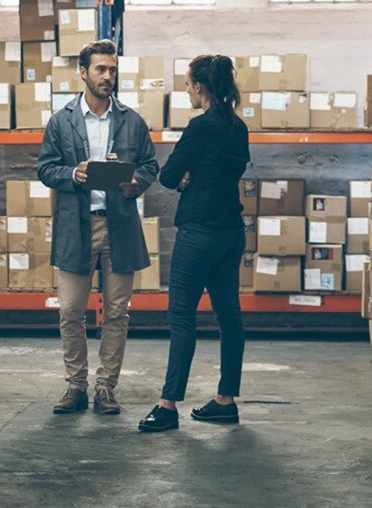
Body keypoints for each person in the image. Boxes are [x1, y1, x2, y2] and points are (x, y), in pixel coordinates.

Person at [37, 40, 159, 415]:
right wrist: (73, 173)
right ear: (83, 72)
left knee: (117, 312)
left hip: (119, 227)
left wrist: (136, 182)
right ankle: (75, 386)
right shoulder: (61, 121)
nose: (108, 76)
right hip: (77, 227)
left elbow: (151, 165)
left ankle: (105, 387)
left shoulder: (131, 120)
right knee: (70, 311)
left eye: (112, 70)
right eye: (101, 70)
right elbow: (45, 169)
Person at [138, 54, 251, 433]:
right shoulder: (239, 128)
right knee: (229, 317)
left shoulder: (199, 127)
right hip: (231, 233)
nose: (186, 91)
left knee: (182, 317)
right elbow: (230, 168)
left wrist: (188, 177)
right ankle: (226, 400)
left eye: (187, 85)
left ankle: (167, 405)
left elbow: (168, 176)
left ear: (199, 87)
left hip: (198, 232)